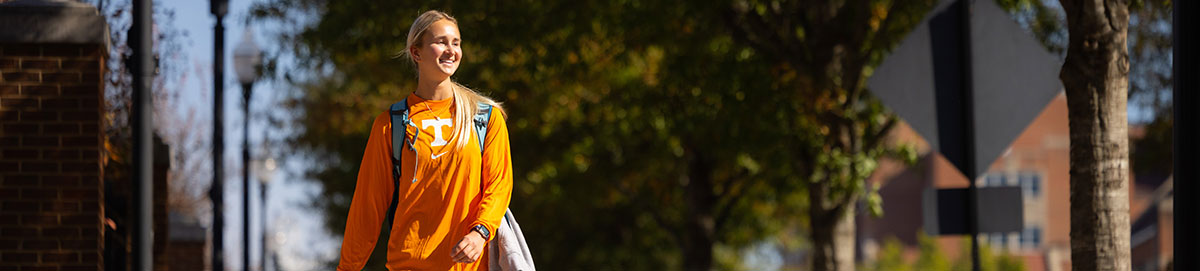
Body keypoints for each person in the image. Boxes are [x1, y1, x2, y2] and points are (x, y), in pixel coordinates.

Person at [337, 10, 513, 271]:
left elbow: (499, 185)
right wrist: (347, 268)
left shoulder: (485, 119)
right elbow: (367, 208)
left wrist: (480, 232)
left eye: (456, 42)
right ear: (416, 53)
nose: (451, 50)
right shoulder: (390, 124)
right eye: (441, 42)